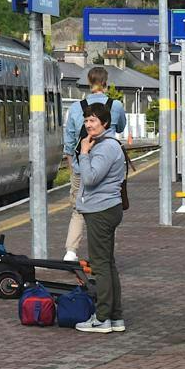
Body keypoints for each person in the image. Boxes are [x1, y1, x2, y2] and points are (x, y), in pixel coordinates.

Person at [70, 100, 127, 334]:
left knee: (100, 266)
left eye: (93, 120)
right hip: (105, 208)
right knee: (108, 264)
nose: (88, 124)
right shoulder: (105, 143)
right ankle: (115, 317)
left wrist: (84, 154)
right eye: (86, 120)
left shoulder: (105, 147)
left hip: (101, 210)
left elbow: (91, 178)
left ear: (104, 122)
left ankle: (102, 318)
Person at [62, 67, 127, 262]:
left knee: (78, 209)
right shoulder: (115, 105)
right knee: (106, 206)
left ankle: (71, 251)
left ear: (89, 82)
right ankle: (105, 252)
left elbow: (69, 141)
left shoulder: (75, 107)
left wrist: (72, 165)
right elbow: (122, 127)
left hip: (81, 164)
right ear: (106, 81)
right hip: (108, 165)